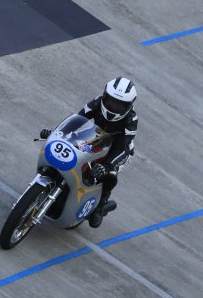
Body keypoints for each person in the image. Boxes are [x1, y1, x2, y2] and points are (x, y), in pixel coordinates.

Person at [47, 76, 137, 229]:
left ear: (129, 105)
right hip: (96, 138)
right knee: (73, 151)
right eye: (111, 101)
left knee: (110, 175)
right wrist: (57, 133)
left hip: (118, 149)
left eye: (119, 105)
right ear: (105, 95)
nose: (114, 106)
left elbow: (125, 146)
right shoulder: (96, 102)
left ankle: (100, 206)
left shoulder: (131, 119)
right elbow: (76, 120)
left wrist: (108, 166)